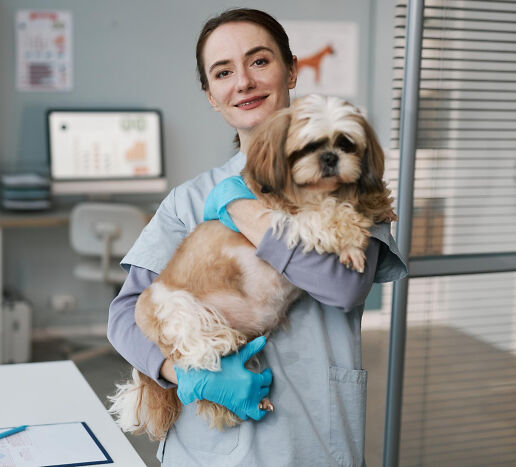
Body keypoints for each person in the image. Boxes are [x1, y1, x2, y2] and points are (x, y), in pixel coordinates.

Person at [107, 8, 406, 467]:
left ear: (292, 70)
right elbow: (126, 313)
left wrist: (243, 210)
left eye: (259, 61)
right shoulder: (188, 200)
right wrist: (183, 374)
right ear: (212, 95)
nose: (243, 81)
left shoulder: (344, 172)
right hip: (208, 445)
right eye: (223, 72)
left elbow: (343, 286)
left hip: (314, 437)